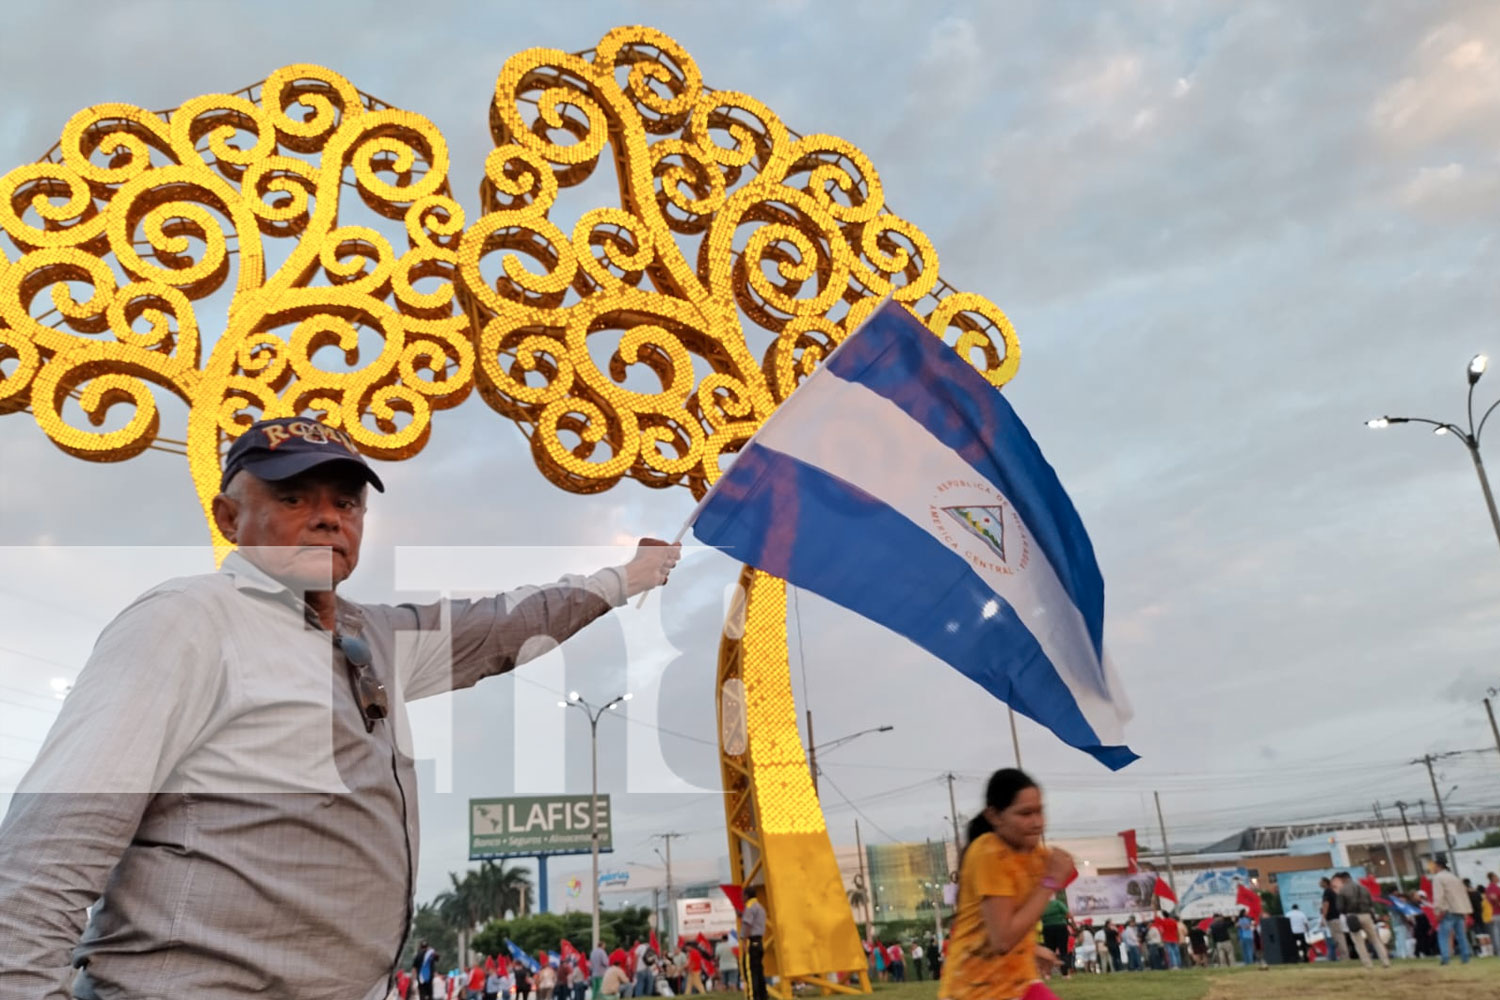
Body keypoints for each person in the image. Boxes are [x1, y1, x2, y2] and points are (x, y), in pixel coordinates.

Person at [0, 416, 683, 1000]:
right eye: (294, 496)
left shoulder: (375, 636)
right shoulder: (188, 623)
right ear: (229, 517)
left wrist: (626, 579)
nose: (328, 515)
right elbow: (42, 865)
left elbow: (508, 623)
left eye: (347, 502)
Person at [937, 768, 1073, 1000]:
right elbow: (1002, 939)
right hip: (976, 989)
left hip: (1017, 982)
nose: (1036, 822)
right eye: (1025, 813)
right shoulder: (988, 852)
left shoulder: (1034, 855)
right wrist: (1048, 882)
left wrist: (1032, 948)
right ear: (995, 816)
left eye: (1039, 811)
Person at [1333, 871, 1389, 969]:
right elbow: (1371, 903)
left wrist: (1345, 912)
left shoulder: (1343, 891)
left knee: (1358, 941)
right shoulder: (1364, 888)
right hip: (1366, 915)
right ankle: (1385, 961)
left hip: (1352, 916)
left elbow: (1340, 907)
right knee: (1375, 939)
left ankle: (1368, 964)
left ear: (1343, 879)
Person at [1431, 855, 1473, 964]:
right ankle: (1465, 956)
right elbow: (1463, 894)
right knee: (1461, 936)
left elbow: (1439, 896)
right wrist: (1466, 910)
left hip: (1447, 910)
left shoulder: (1438, 878)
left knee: (1443, 935)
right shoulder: (1454, 877)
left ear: (1438, 866)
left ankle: (1445, 957)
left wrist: (1437, 910)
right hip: (1460, 909)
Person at [741, 887, 768, 1000]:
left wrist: (744, 941)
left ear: (747, 895)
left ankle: (752, 997)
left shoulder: (750, 907)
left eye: (743, 895)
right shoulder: (760, 907)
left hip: (751, 942)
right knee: (759, 971)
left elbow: (748, 925)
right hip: (760, 942)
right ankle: (763, 996)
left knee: (750, 972)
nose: (742, 897)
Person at [1318, 877, 1342, 962]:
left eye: (1320, 882)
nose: (1319, 884)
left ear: (1325, 882)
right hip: (1336, 917)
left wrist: (1323, 917)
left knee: (1337, 938)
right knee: (1338, 938)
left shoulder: (1327, 892)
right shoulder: (1332, 891)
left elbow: (1326, 905)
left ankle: (1344, 956)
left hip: (1332, 918)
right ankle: (1343, 956)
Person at [1486, 873, 1500, 958]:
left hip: (1495, 913)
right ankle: (1498, 951)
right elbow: (1493, 898)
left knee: (1496, 933)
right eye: (1496, 876)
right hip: (1496, 913)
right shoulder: (1492, 887)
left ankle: (1498, 951)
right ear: (1493, 878)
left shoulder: (1491, 888)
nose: (1498, 878)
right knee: (1496, 934)